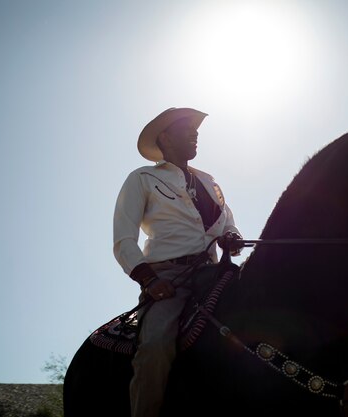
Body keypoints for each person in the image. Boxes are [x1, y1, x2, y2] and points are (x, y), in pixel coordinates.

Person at [113, 107, 242, 417]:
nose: (195, 133)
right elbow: (123, 240)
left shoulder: (210, 181)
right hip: (168, 279)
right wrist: (149, 279)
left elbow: (229, 224)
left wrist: (233, 237)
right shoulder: (142, 178)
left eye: (196, 129)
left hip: (214, 273)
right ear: (165, 138)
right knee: (156, 345)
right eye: (187, 128)